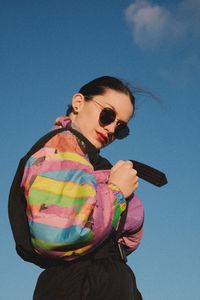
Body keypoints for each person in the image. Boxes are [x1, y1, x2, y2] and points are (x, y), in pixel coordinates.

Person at [21, 76, 144, 299]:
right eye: (107, 114)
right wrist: (116, 191)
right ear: (78, 103)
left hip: (104, 281)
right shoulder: (60, 149)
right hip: (79, 285)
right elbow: (55, 234)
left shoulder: (88, 163)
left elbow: (121, 242)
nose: (110, 129)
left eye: (121, 128)